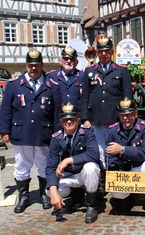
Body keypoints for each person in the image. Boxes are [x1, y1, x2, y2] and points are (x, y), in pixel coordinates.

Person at [0, 48, 62, 213]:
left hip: (44, 133)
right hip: (22, 133)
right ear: (26, 65)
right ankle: (24, 197)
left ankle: (44, 194)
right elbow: (6, 109)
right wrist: (4, 131)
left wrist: (57, 134)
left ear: (41, 65)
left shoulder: (52, 86)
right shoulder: (14, 85)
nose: (33, 68)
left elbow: (57, 113)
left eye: (36, 65)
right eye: (30, 65)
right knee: (21, 165)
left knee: (44, 164)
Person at [80, 36, 133, 198]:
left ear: (112, 52)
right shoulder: (89, 71)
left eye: (106, 51)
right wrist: (85, 118)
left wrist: (126, 117)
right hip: (96, 119)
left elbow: (127, 96)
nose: (103, 54)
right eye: (100, 51)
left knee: (115, 150)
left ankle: (116, 179)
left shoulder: (121, 71)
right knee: (100, 150)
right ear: (97, 52)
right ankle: (103, 180)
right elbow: (85, 97)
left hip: (115, 120)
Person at [46, 102, 100, 223]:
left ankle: (91, 205)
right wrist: (54, 192)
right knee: (49, 189)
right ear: (61, 122)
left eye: (72, 119)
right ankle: (74, 196)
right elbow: (50, 167)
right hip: (69, 175)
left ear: (78, 119)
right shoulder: (56, 138)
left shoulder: (87, 132)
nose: (69, 122)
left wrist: (68, 160)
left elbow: (94, 154)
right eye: (65, 119)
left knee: (91, 167)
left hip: (83, 173)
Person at [106, 97, 145, 219]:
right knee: (117, 195)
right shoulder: (112, 130)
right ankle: (128, 197)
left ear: (135, 113)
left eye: (129, 115)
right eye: (122, 115)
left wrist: (122, 149)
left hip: (140, 166)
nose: (125, 118)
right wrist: (116, 174)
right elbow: (110, 156)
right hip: (124, 168)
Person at [47, 46, 84, 111]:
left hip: (77, 118)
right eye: (65, 58)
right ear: (60, 61)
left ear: (76, 62)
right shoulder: (51, 77)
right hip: (58, 118)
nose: (68, 61)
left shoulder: (83, 76)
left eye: (72, 59)